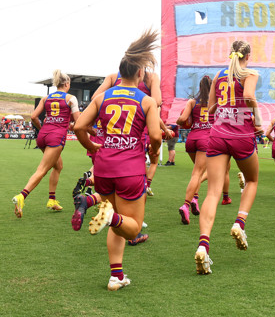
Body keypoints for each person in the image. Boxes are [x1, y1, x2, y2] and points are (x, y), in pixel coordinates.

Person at [73, 29, 162, 291]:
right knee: (131, 229)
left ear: (119, 73)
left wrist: (93, 146)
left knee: (114, 216)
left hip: (103, 167)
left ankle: (116, 276)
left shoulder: (102, 97)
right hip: (130, 169)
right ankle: (104, 213)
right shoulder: (146, 100)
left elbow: (79, 125)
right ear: (138, 74)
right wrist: (154, 153)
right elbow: (155, 136)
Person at [195, 40, 262, 275]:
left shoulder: (218, 76)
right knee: (252, 180)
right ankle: (239, 223)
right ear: (248, 56)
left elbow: (210, 108)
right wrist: (259, 122)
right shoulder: (250, 73)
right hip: (242, 135)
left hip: (218, 134)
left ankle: (203, 245)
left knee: (212, 192)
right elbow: (251, 97)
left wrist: (223, 113)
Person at [92, 63, 173, 197]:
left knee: (108, 185)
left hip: (109, 140)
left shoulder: (112, 77)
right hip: (135, 137)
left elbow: (94, 99)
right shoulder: (150, 78)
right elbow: (156, 102)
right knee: (137, 178)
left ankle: (90, 192)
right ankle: (146, 188)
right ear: (140, 71)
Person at [12, 70, 80, 217]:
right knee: (42, 170)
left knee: (58, 166)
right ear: (67, 84)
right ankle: (21, 196)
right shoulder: (71, 98)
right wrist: (71, 126)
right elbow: (79, 122)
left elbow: (34, 117)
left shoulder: (46, 98)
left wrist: (44, 129)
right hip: (56, 137)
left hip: (43, 136)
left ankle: (51, 200)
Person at [176, 76, 212, 224]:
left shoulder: (192, 102)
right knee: (200, 172)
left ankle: (195, 199)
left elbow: (181, 120)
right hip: (206, 139)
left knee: (197, 172)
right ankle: (186, 204)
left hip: (192, 139)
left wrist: (182, 120)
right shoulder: (215, 102)